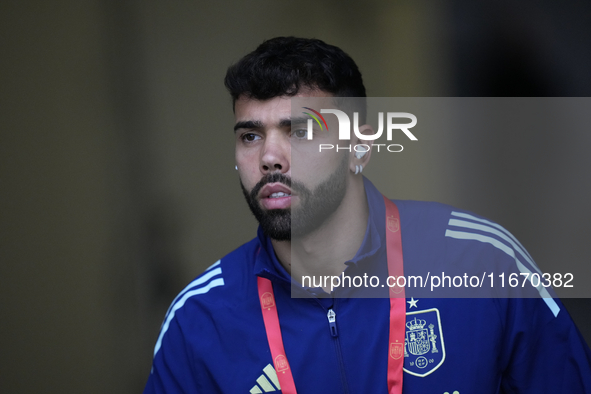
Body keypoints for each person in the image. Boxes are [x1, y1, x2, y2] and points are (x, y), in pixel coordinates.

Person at [144, 37, 591, 393]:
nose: (270, 157)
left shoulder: (481, 262)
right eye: (250, 136)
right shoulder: (199, 321)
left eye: (299, 130)